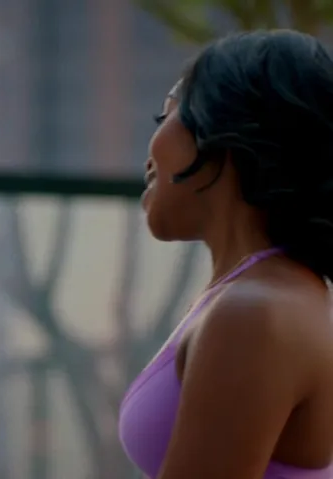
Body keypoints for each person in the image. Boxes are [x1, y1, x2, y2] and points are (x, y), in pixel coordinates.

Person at [118, 30, 333, 479]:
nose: (149, 155)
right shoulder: (256, 295)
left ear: (224, 131)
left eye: (167, 114)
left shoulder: (255, 312)